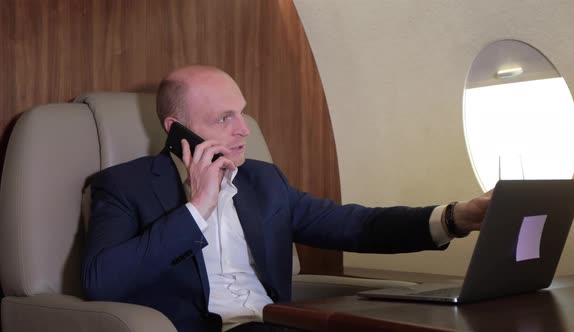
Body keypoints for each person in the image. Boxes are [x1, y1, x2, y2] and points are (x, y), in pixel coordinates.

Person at [81, 65, 491, 332]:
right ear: (176, 129)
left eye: (241, 113)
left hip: (278, 323)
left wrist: (456, 217)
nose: (244, 129)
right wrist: (198, 207)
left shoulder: (264, 181)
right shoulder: (124, 186)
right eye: (225, 118)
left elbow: (356, 225)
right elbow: (102, 282)